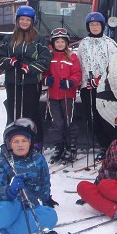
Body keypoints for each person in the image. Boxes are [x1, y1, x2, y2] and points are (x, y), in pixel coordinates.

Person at [0, 5, 51, 150]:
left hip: (31, 82)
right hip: (13, 81)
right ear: (17, 20)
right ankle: (13, 139)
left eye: (28, 19)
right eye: (22, 19)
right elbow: (0, 58)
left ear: (32, 21)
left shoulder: (39, 39)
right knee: (13, 111)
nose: (25, 22)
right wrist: (10, 62)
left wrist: (30, 68)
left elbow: (45, 59)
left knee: (31, 111)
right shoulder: (9, 39)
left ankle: (35, 141)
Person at [77, 12, 117, 157]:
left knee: (105, 117)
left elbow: (115, 65)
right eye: (92, 25)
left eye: (97, 24)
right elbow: (79, 63)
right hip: (87, 87)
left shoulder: (110, 44)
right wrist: (84, 81)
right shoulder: (83, 44)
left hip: (105, 87)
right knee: (92, 118)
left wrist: (100, 80)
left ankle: (111, 146)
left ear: (102, 26)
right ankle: (102, 145)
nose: (94, 27)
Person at [42, 28, 82, 164]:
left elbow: (77, 74)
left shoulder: (72, 57)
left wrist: (71, 82)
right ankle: (59, 147)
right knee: (56, 123)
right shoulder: (49, 57)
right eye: (57, 41)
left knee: (68, 122)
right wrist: (46, 80)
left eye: (62, 41)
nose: (59, 44)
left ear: (67, 43)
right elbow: (44, 73)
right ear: (53, 43)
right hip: (53, 96)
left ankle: (71, 147)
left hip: (67, 96)